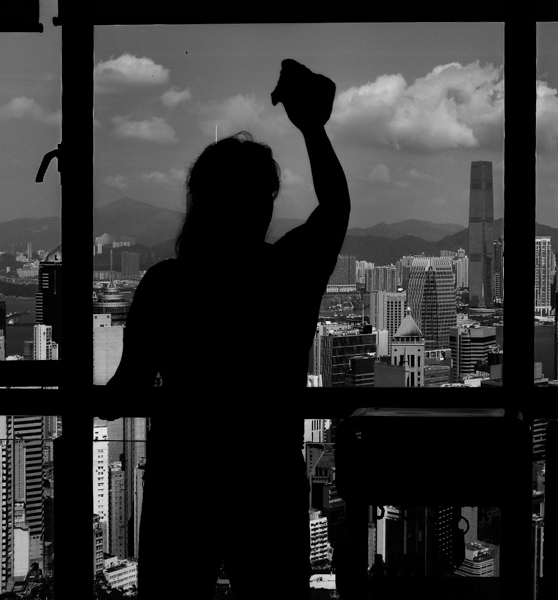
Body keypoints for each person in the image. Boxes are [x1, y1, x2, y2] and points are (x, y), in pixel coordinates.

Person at [104, 60, 349, 599]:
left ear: (200, 201)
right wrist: (312, 126)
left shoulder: (166, 285)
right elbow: (335, 208)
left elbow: (123, 392)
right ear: (265, 204)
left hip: (182, 480)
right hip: (266, 478)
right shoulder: (285, 275)